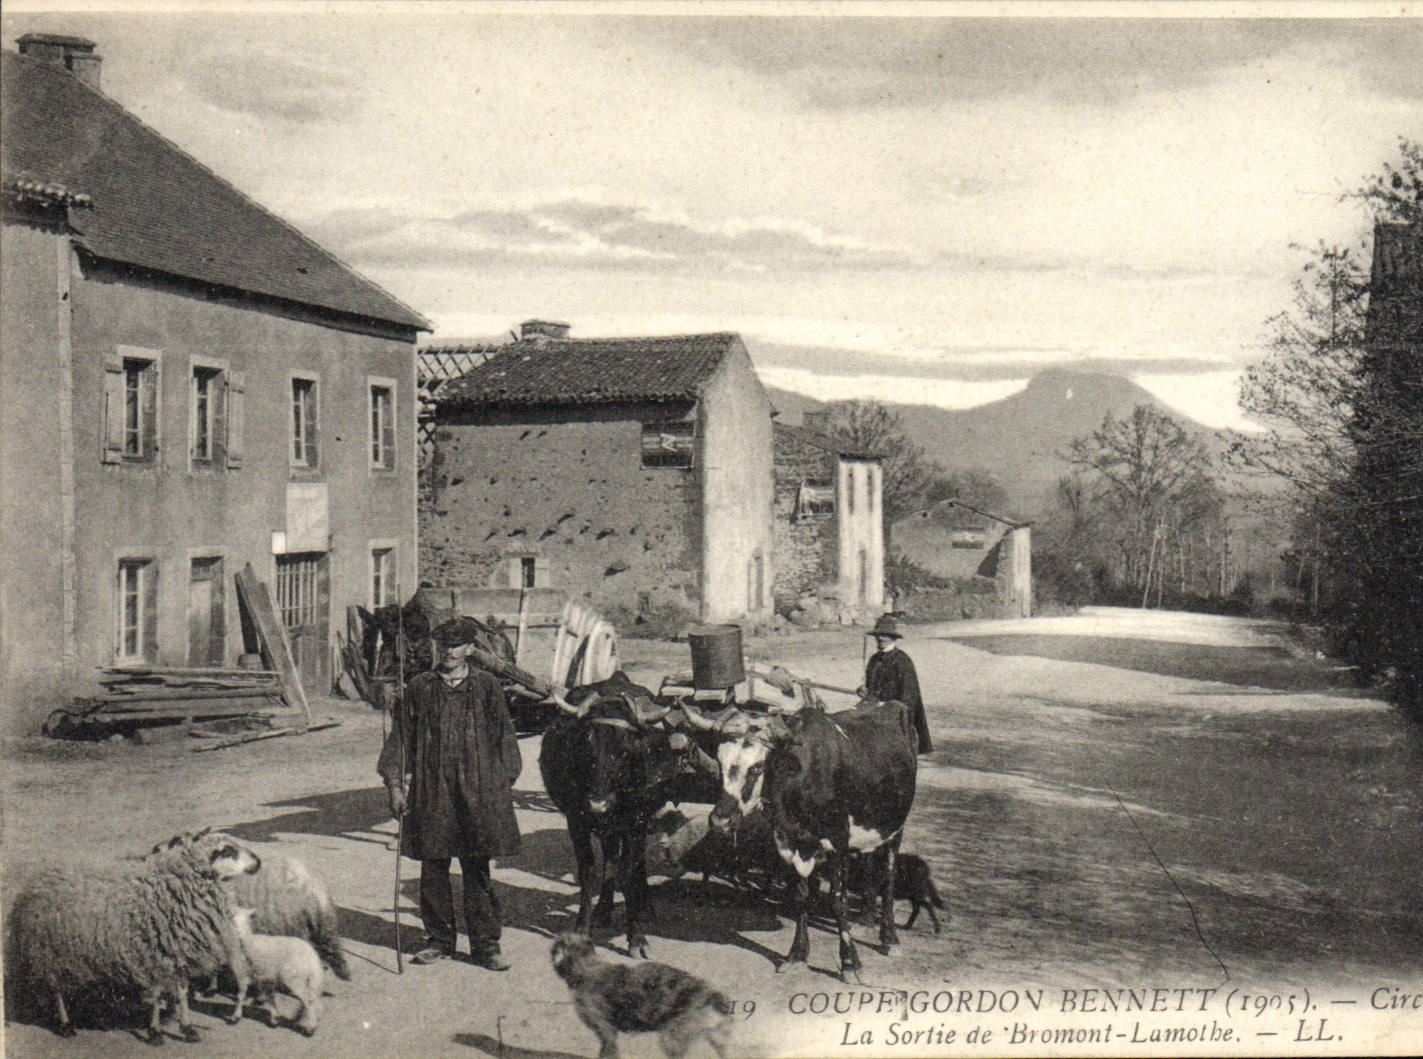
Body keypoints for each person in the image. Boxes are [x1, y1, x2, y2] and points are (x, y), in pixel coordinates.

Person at [378, 616, 523, 970]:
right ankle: (439, 941)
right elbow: (402, 739)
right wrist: (396, 785)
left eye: (456, 645)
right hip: (433, 790)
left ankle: (486, 946)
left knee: (476, 868)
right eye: (443, 645)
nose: (449, 651)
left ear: (470, 649)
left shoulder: (487, 687)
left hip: (477, 791)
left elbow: (505, 739)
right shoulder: (420, 687)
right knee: (434, 866)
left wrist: (497, 786)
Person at [860, 613, 933, 754]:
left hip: (894, 715)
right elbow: (870, 688)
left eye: (885, 635)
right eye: (878, 635)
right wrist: (863, 692)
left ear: (893, 637)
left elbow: (909, 698)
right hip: (873, 711)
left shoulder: (902, 661)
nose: (880, 638)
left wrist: (889, 710)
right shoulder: (874, 660)